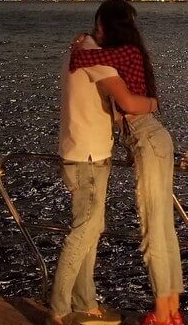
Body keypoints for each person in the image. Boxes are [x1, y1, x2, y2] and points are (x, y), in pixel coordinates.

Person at [69, 0, 184, 325]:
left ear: (107, 26)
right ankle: (172, 310)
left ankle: (161, 316)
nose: (95, 32)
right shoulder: (133, 52)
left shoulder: (120, 54)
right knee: (164, 229)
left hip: (146, 139)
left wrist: (80, 41)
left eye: (98, 26)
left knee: (152, 231)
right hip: (154, 139)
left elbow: (81, 60)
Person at [49, 28, 159, 325]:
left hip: (82, 153)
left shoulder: (81, 51)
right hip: (88, 158)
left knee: (91, 232)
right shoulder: (95, 58)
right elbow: (128, 102)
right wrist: (154, 104)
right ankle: (58, 310)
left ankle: (84, 302)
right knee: (83, 232)